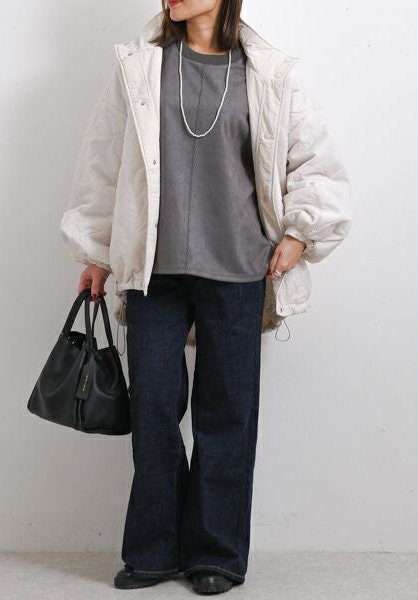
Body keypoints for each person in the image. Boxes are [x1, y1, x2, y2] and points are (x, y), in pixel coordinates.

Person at [60, 1, 352, 595]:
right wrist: (96, 250)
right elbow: (104, 162)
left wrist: (300, 233)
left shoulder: (271, 72)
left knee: (228, 415)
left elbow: (315, 162)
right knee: (153, 411)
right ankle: (153, 550)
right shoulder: (140, 65)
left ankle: (217, 554)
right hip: (154, 270)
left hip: (240, 268)